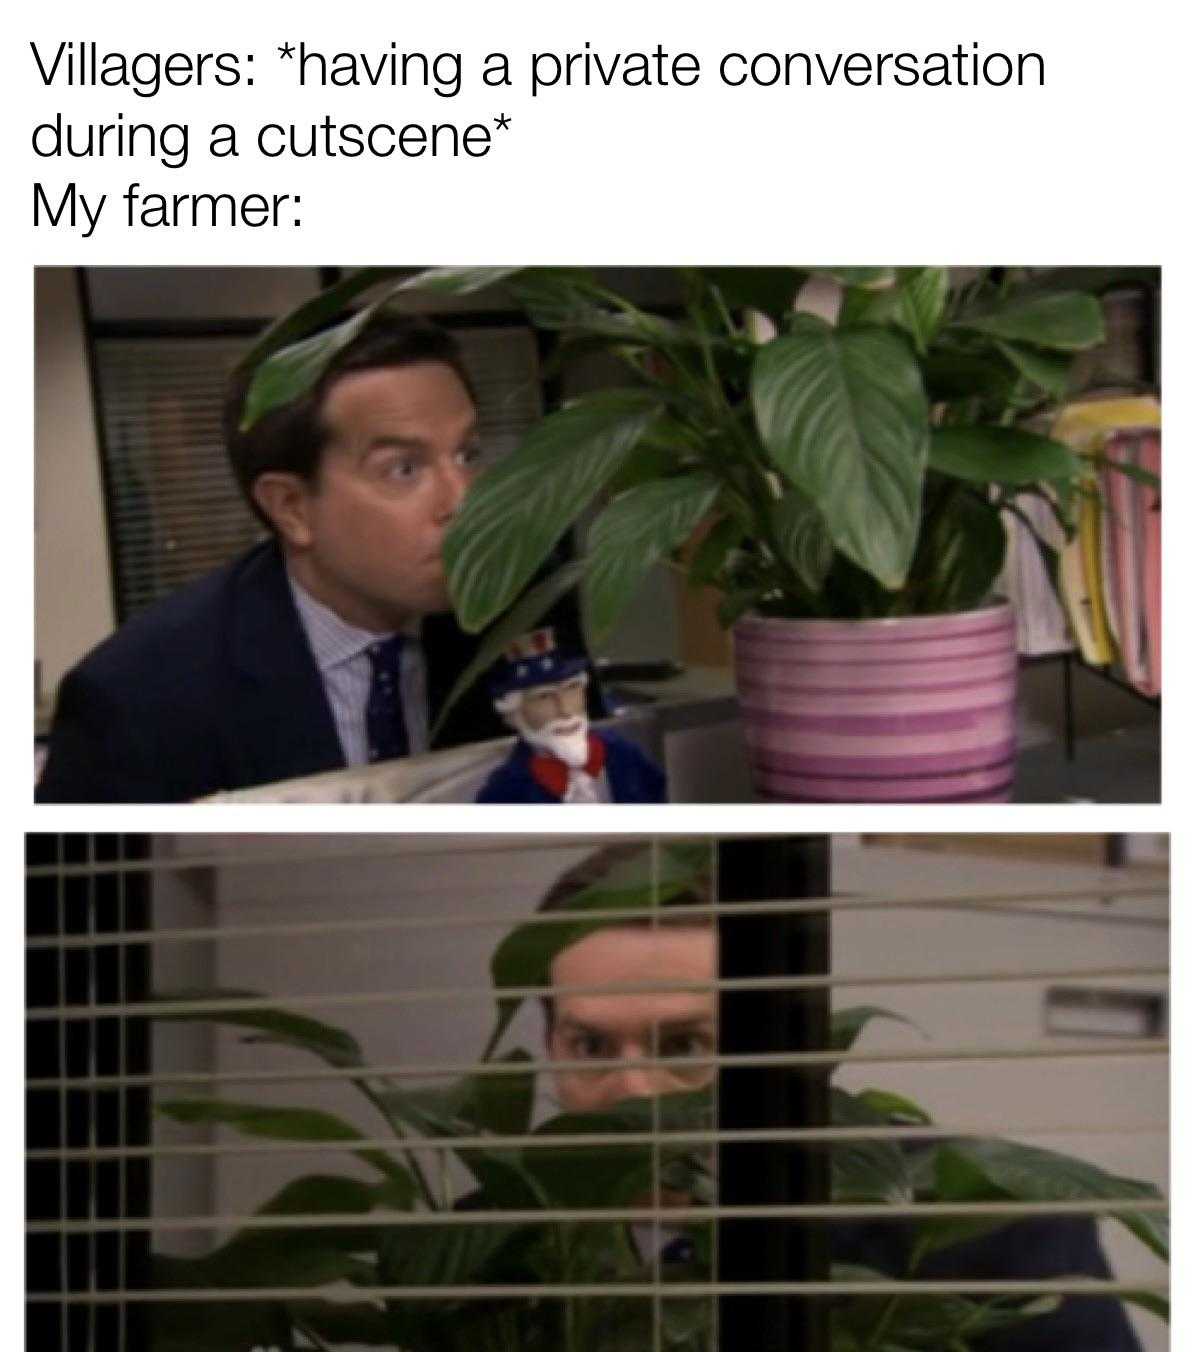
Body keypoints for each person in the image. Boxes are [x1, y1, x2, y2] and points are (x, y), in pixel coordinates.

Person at [533, 845, 1143, 1352]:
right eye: (591, 1045)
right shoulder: (483, 1259)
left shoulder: (996, 1236)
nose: (634, 1091)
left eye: (687, 1045)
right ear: (551, 1047)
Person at [37, 314, 588, 802]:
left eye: (467, 454)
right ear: (292, 508)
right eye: (405, 469)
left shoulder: (526, 608)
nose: (464, 499)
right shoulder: (137, 695)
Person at [476, 629, 667, 804]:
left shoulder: (625, 755)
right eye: (544, 697)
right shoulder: (505, 793)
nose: (565, 710)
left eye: (572, 689)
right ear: (514, 714)